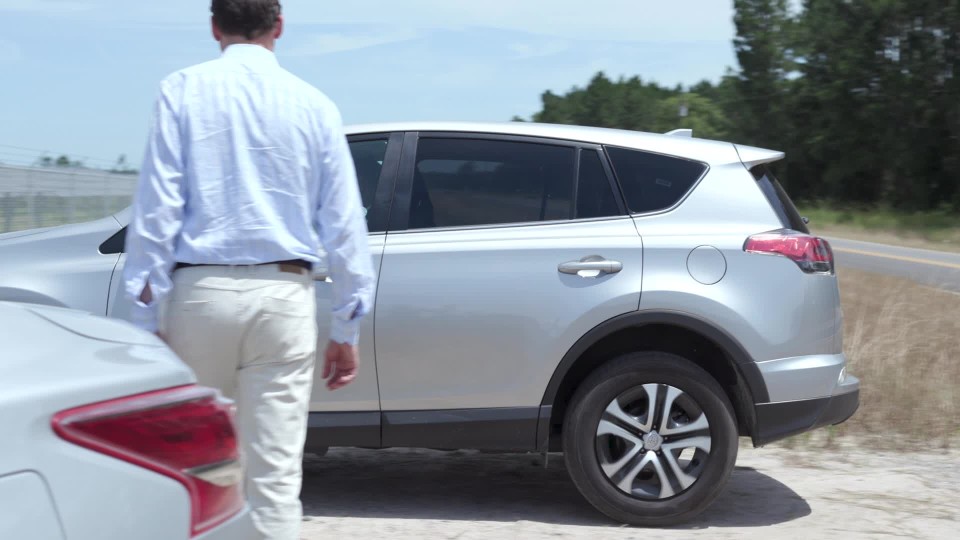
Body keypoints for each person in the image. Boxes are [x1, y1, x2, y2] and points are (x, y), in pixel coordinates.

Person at [121, 1, 376, 538]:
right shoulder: (314, 105)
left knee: (193, 467)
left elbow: (157, 209)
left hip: (200, 293)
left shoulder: (181, 90)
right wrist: (348, 324)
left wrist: (145, 320)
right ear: (279, 26)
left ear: (214, 26)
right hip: (284, 295)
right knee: (276, 476)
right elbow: (344, 222)